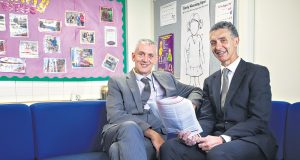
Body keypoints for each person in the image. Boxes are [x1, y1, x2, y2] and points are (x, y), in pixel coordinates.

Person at [160, 21, 277, 160]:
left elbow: (258, 120)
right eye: (213, 42)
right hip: (217, 140)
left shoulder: (257, 73)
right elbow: (208, 118)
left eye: (223, 40)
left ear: (236, 41)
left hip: (251, 139)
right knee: (170, 147)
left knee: (218, 154)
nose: (218, 47)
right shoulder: (210, 81)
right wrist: (195, 134)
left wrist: (222, 138)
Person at [101, 39, 204, 160]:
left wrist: (190, 105)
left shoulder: (167, 78)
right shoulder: (117, 81)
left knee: (116, 150)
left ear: (155, 59)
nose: (145, 59)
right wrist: (152, 134)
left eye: (150, 55)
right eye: (141, 54)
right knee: (130, 127)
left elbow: (196, 91)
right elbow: (116, 115)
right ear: (133, 56)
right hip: (121, 131)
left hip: (155, 135)